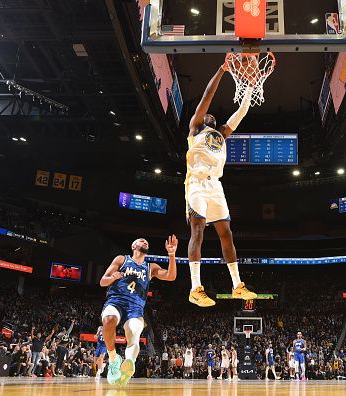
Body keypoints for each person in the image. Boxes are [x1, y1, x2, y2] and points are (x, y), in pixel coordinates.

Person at [185, 61, 258, 307]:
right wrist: (222, 70)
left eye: (213, 115)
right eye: (208, 114)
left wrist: (250, 86)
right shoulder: (196, 129)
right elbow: (208, 95)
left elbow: (242, 111)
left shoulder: (222, 133)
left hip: (215, 186)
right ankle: (196, 288)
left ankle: (237, 285)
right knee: (198, 229)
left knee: (226, 233)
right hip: (195, 182)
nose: (210, 113)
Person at [100, 235, 178, 385]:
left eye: (146, 241)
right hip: (116, 301)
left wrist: (172, 254)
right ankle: (114, 359)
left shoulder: (150, 267)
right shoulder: (121, 260)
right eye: (141, 240)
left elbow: (171, 276)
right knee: (109, 321)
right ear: (133, 246)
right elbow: (103, 281)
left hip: (135, 308)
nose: (144, 241)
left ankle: (129, 363)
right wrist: (112, 278)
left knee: (134, 334)